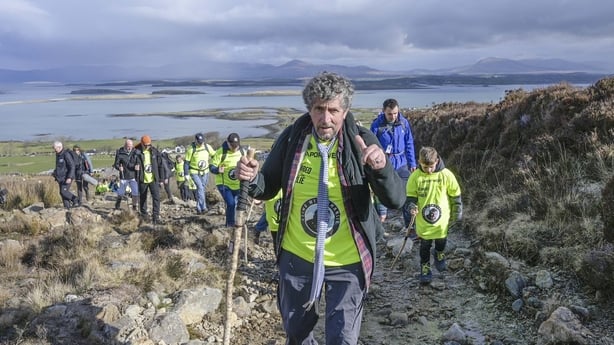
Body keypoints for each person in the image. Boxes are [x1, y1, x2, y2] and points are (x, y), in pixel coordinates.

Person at [236, 72, 405, 344]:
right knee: (297, 335)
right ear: (309, 108)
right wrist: (252, 176)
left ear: (345, 110)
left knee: (342, 338)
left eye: (333, 110)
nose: (326, 119)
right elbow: (266, 187)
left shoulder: (361, 140)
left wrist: (381, 167)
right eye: (319, 109)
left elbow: (395, 199)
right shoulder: (293, 138)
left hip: (347, 261)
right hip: (297, 258)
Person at [405, 146, 463, 284]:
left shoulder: (446, 175)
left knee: (441, 240)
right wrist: (412, 207)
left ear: (437, 161)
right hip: (423, 221)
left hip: (442, 219)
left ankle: (439, 253)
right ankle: (425, 267)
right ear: (419, 161)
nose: (429, 170)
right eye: (425, 167)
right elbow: (410, 198)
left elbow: (455, 194)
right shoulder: (415, 177)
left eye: (431, 166)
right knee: (424, 244)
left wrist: (457, 212)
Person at [370, 98, 417, 224]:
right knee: (382, 191)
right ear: (384, 111)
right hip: (385, 163)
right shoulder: (376, 125)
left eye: (395, 113)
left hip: (402, 163)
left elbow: (409, 143)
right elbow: (371, 145)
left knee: (407, 192)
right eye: (390, 114)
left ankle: (409, 224)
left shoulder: (404, 123)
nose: (393, 116)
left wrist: (412, 163)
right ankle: (380, 223)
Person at [210, 133, 246, 227]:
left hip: (238, 184)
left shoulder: (242, 152)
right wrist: (217, 170)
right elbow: (211, 166)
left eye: (236, 146)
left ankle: (237, 223)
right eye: (232, 146)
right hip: (223, 183)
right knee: (231, 204)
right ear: (228, 143)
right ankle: (230, 225)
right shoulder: (221, 152)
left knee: (238, 205)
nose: (234, 148)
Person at [134, 135, 169, 224]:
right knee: (143, 198)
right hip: (142, 179)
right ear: (141, 143)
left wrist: (161, 179)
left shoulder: (154, 152)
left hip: (154, 179)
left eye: (149, 145)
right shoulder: (136, 152)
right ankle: (144, 216)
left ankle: (156, 217)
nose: (147, 147)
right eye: (145, 145)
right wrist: (134, 167)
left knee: (156, 198)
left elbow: (160, 165)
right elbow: (130, 164)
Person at [184, 133, 215, 215]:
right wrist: (186, 174)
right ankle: (204, 208)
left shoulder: (207, 147)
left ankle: (198, 208)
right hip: (194, 172)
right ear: (195, 141)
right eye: (199, 142)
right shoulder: (191, 149)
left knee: (201, 190)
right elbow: (186, 162)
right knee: (200, 188)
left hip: (205, 172)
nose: (201, 144)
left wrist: (214, 164)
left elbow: (214, 156)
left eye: (202, 142)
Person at [113, 139, 140, 210]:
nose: (130, 148)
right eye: (128, 146)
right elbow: (116, 164)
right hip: (124, 176)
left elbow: (139, 162)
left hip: (133, 176)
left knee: (135, 192)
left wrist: (138, 167)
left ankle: (134, 206)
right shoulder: (119, 153)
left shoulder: (135, 152)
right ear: (125, 145)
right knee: (121, 192)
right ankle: (118, 203)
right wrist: (119, 168)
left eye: (131, 146)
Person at [52, 141, 80, 209]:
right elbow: (60, 166)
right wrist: (55, 173)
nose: (54, 149)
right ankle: (67, 207)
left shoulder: (66, 154)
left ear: (59, 147)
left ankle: (75, 199)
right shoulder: (58, 155)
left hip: (66, 177)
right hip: (60, 178)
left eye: (54, 148)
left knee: (63, 191)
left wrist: (69, 177)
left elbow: (72, 166)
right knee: (62, 193)